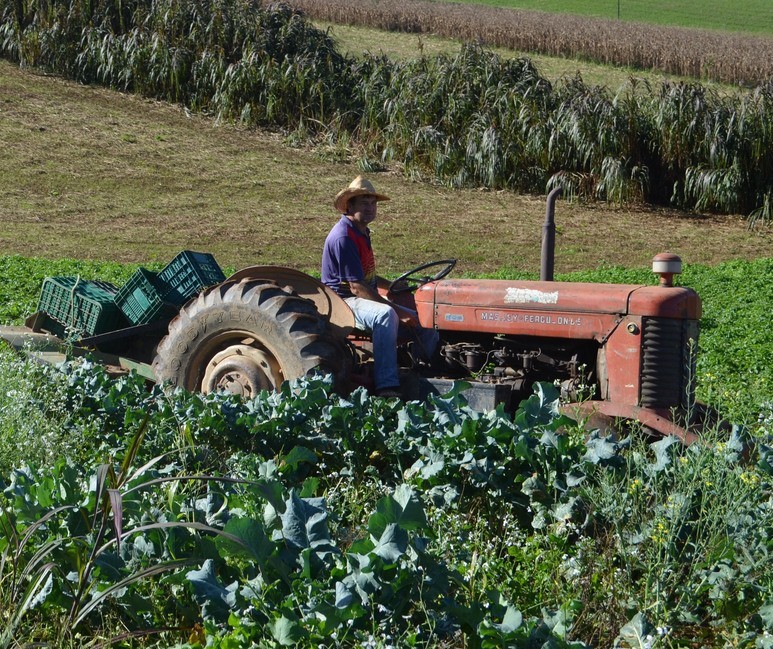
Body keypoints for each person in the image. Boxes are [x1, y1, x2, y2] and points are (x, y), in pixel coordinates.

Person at [321, 176, 439, 397]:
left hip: (359, 297)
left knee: (426, 320)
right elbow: (356, 287)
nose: (370, 208)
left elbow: (366, 276)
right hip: (343, 302)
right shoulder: (343, 237)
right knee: (385, 315)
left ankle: (422, 372)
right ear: (349, 205)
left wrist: (392, 285)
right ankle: (387, 386)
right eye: (364, 203)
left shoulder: (361, 232)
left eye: (373, 203)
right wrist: (397, 310)